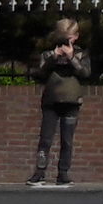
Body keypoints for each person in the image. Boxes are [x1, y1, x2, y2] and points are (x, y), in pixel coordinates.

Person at [28, 17, 90, 186]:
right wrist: (55, 57)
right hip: (51, 101)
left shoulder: (81, 54)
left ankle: (63, 173)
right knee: (45, 139)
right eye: (62, 37)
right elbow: (39, 74)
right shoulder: (48, 55)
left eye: (69, 37)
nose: (65, 40)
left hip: (71, 101)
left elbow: (85, 74)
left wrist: (72, 58)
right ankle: (39, 173)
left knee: (67, 140)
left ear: (76, 37)